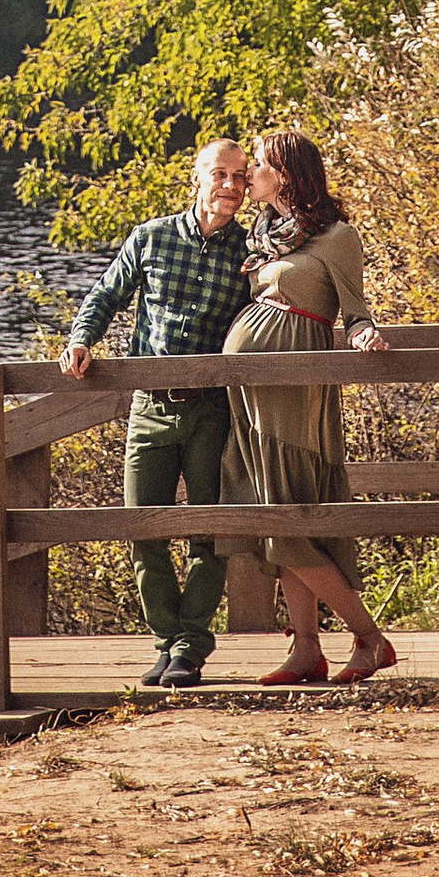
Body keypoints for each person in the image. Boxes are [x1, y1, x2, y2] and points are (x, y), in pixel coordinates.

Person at [58, 135, 252, 690]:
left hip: (213, 409)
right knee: (142, 527)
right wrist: (81, 340)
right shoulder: (152, 237)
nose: (231, 187)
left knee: (209, 532)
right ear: (197, 176)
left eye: (240, 178)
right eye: (221, 174)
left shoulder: (252, 254)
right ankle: (168, 640)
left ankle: (190, 647)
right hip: (149, 408)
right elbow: (104, 294)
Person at [222, 126, 399, 685]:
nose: (249, 173)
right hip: (252, 390)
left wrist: (366, 335)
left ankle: (369, 639)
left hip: (297, 387)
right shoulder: (266, 236)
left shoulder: (337, 236)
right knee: (274, 510)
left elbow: (355, 308)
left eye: (260, 166)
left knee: (289, 514)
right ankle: (306, 651)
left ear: (289, 174)